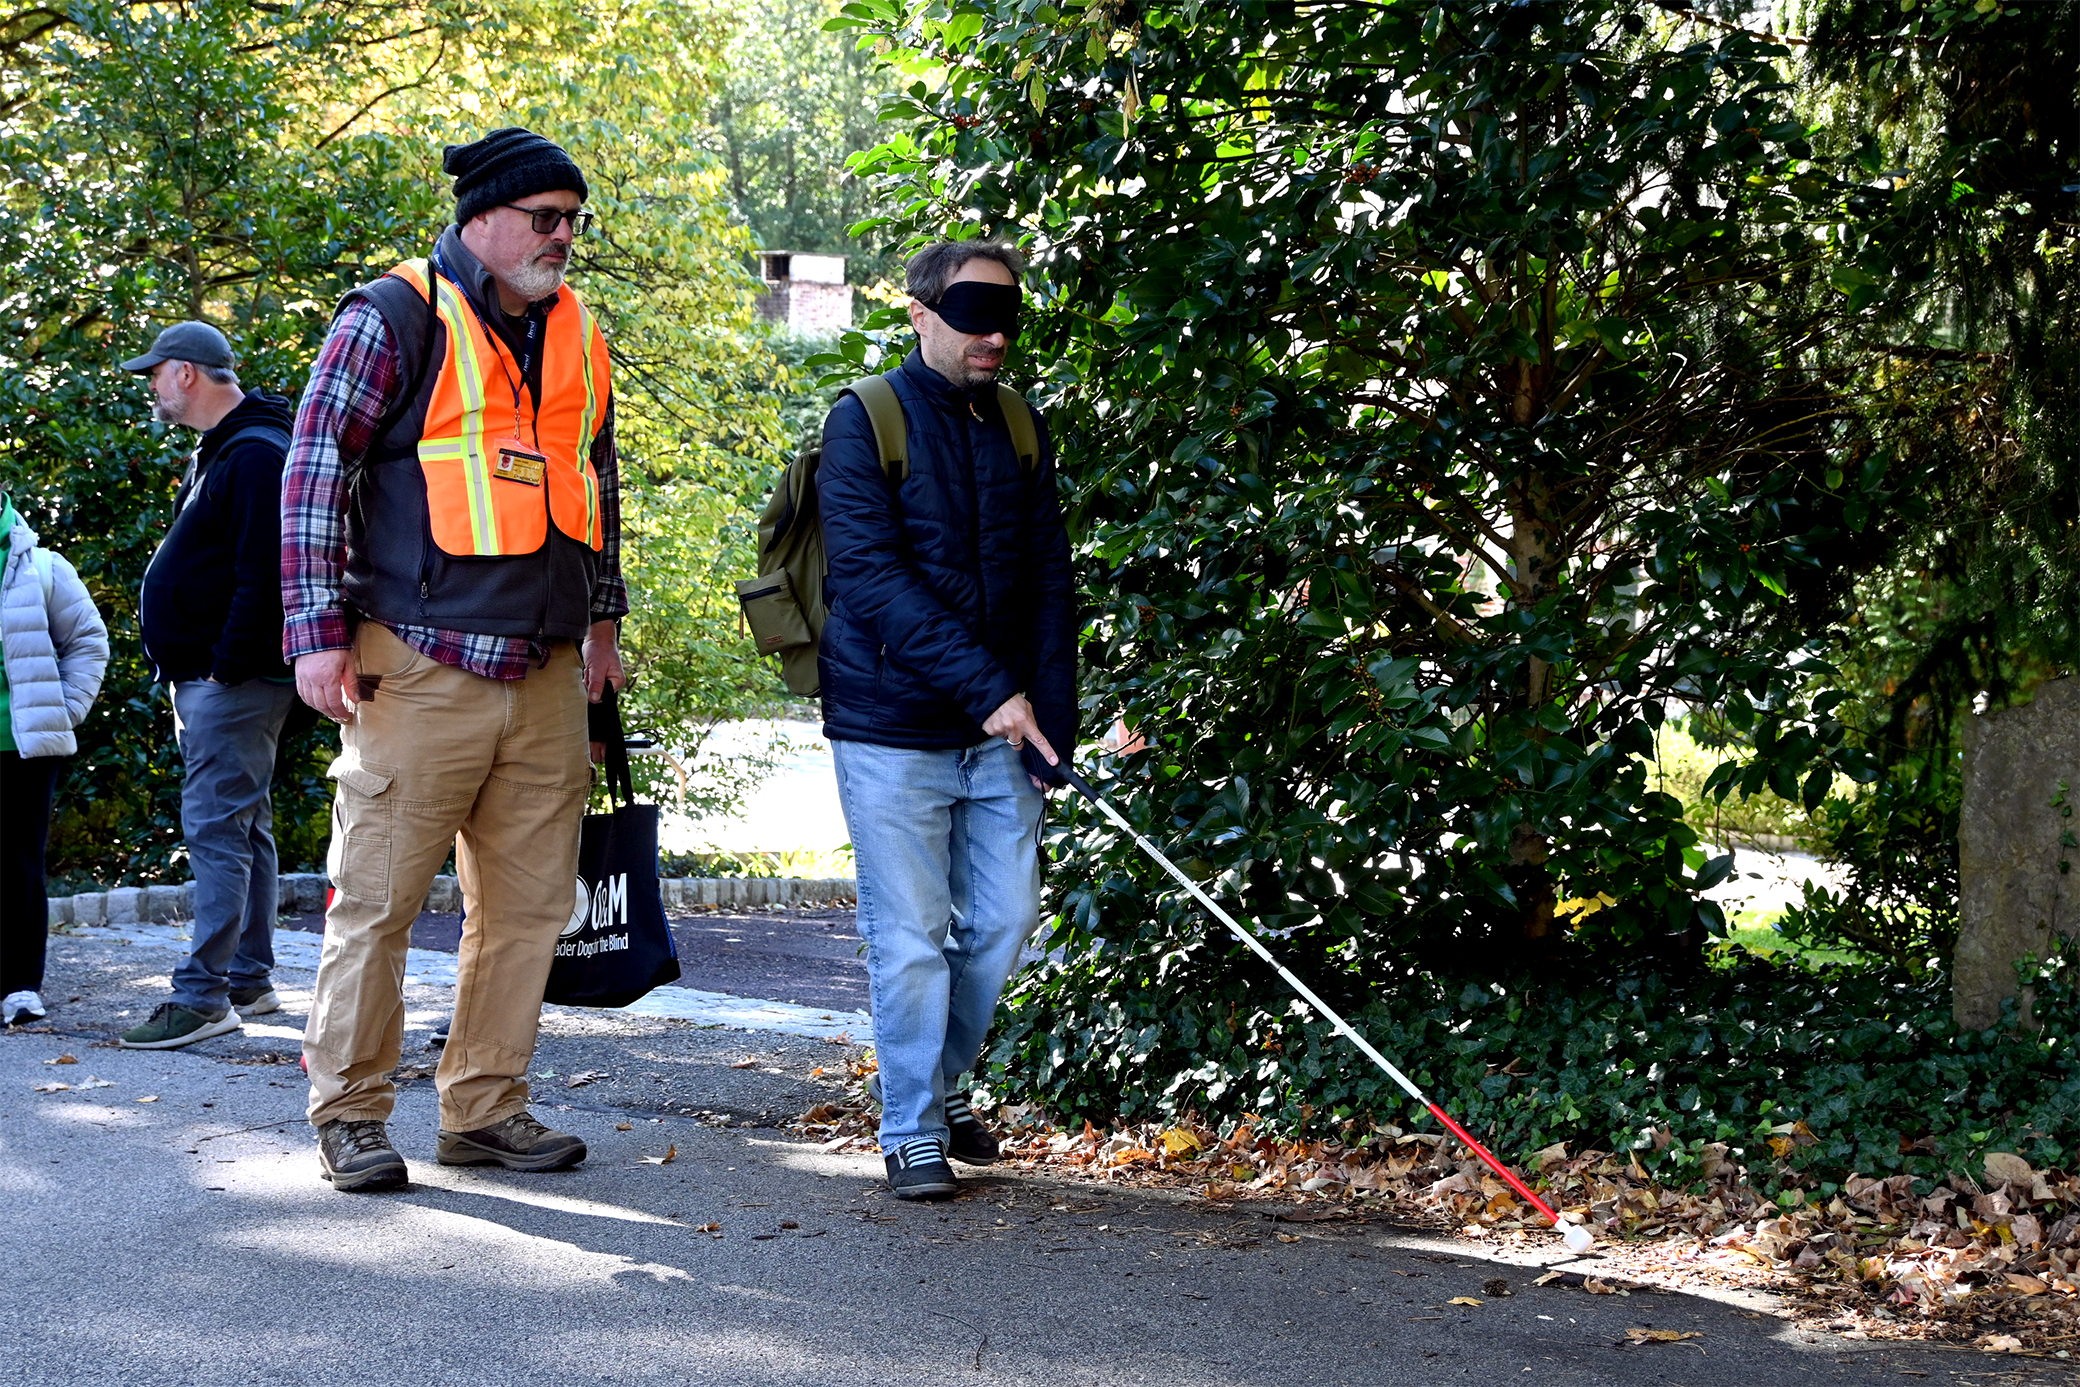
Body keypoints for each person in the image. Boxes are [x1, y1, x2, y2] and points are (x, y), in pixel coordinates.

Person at [282, 127, 626, 1192]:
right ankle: (349, 1111)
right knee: (377, 901)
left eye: (573, 220)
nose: (562, 238)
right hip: (416, 664)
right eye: (545, 218)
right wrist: (314, 634)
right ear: (483, 215)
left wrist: (604, 627)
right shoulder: (391, 315)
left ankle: (482, 1108)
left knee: (527, 909)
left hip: (547, 670)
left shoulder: (577, 333)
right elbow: (311, 474)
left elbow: (596, 488)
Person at [816, 240, 1076, 1199]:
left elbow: (1050, 580)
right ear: (921, 314)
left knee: (1007, 922)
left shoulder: (1020, 426)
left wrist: (1053, 721)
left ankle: (936, 1080)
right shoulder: (864, 422)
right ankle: (912, 1127)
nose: (994, 334)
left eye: (1007, 316)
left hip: (1004, 730)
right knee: (913, 934)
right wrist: (986, 689)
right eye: (971, 314)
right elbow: (872, 581)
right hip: (891, 727)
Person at [116, 322, 300, 1050]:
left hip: (235, 679)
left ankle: (203, 996)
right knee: (245, 826)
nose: (152, 386)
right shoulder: (229, 447)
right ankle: (249, 979)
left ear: (187, 373)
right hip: (225, 677)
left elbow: (266, 579)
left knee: (219, 829)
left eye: (155, 373)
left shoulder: (253, 454)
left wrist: (224, 665)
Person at [0, 494, 109, 1027]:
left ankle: (19, 986)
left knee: (19, 865)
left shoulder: (41, 566)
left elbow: (88, 640)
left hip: (22, 747)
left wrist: (61, 712)